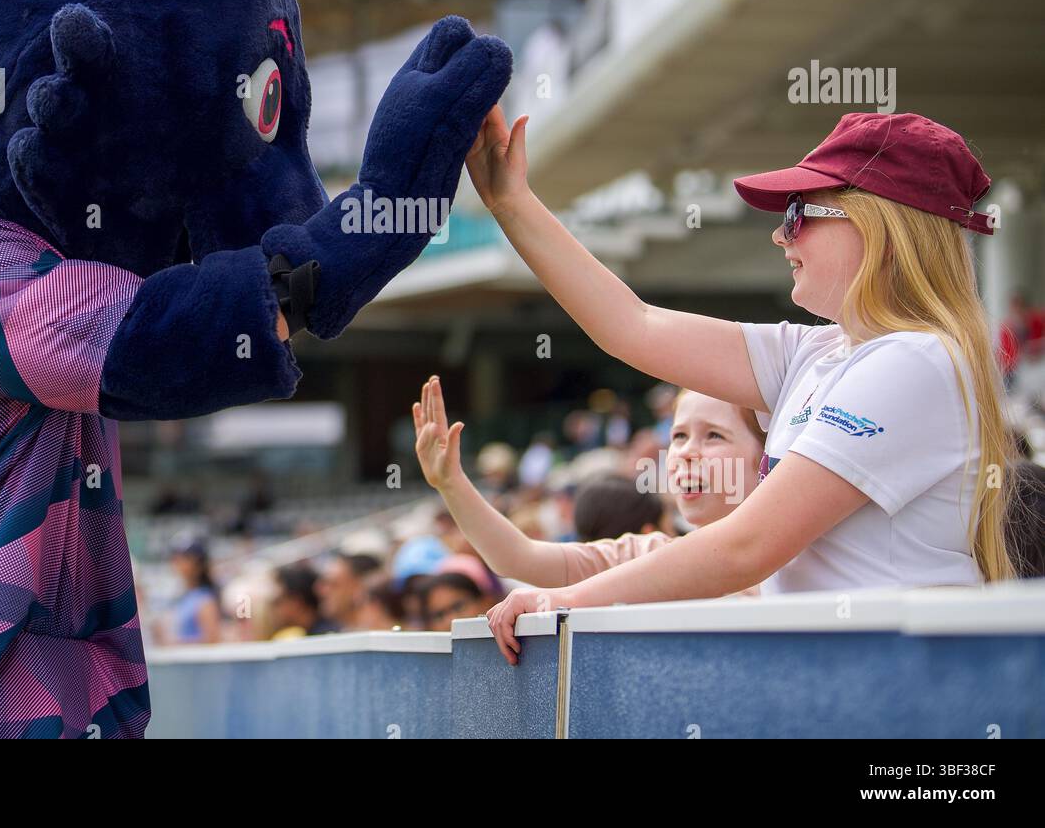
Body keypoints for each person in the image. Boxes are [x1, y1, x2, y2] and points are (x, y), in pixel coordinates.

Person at [460, 109, 1017, 664]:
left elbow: (746, 547)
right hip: (861, 682)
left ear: (879, 230)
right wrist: (511, 204)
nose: (779, 235)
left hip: (898, 699)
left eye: (799, 214)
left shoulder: (917, 359)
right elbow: (632, 327)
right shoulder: (825, 351)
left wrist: (565, 601)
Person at [414, 380, 764, 599]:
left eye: (714, 435)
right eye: (678, 436)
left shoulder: (810, 559)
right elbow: (519, 558)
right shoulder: (651, 553)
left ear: (769, 456)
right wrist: (452, 483)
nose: (685, 451)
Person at [167, 538, 222, 644]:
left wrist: (174, 644)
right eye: (176, 557)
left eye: (185, 558)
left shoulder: (205, 600)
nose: (178, 562)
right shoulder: (184, 596)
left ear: (199, 564)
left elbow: (212, 640)